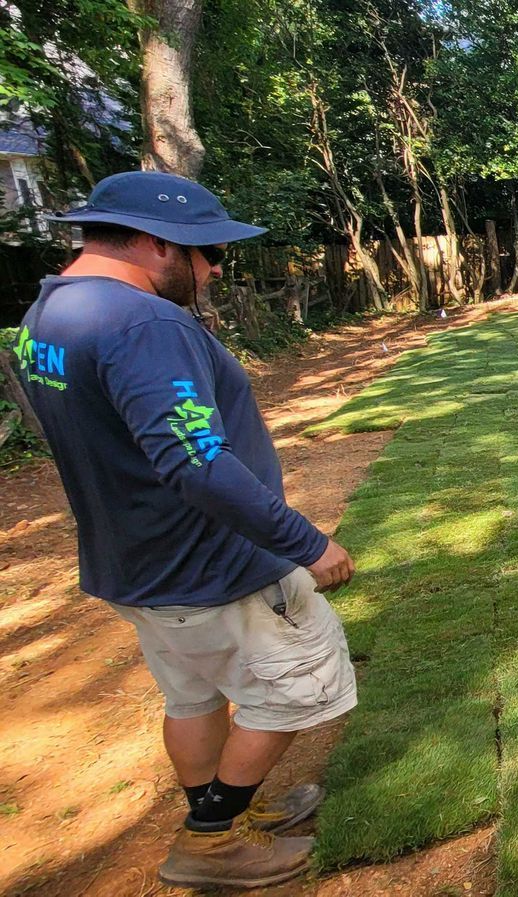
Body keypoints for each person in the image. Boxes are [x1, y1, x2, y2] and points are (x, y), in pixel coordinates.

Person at [14, 171, 357, 888]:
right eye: (203, 252)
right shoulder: (142, 322)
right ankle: (211, 838)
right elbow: (197, 462)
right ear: (151, 243)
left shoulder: (46, 317)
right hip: (213, 563)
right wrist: (307, 543)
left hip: (135, 562)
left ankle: (232, 809)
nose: (215, 267)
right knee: (297, 687)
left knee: (194, 696)